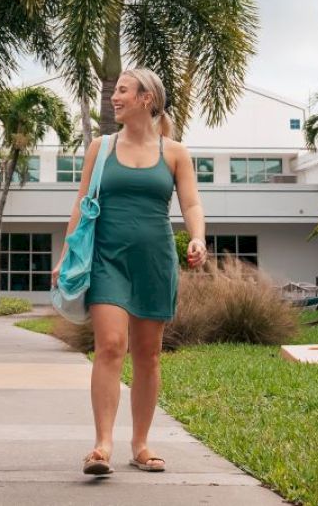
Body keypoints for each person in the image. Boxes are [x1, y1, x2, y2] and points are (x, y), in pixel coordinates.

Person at [53, 68, 207, 475]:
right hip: (107, 260)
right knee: (109, 345)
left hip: (155, 262)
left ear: (146, 99)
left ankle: (140, 444)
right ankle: (102, 444)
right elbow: (82, 202)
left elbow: (191, 204)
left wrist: (198, 237)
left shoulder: (174, 152)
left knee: (149, 355)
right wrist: (68, 254)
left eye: (122, 91)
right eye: (115, 91)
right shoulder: (101, 148)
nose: (114, 97)